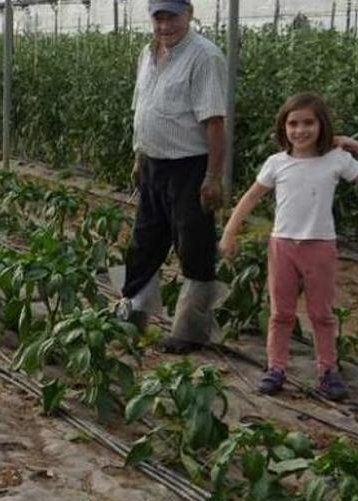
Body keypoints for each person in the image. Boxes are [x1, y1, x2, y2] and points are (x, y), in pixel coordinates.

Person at [220, 93, 358, 400]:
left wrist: (357, 147)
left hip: (320, 247)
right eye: (293, 123)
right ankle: (275, 369)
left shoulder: (336, 160)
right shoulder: (277, 163)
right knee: (280, 313)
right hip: (283, 245)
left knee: (321, 314)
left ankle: (327, 371)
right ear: (283, 127)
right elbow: (250, 197)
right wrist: (229, 232)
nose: (300, 130)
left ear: (321, 125)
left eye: (308, 123)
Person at [119, 0, 228, 354]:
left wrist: (213, 176)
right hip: (153, 163)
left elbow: (214, 121)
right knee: (144, 241)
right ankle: (132, 314)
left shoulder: (205, 56)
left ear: (189, 14)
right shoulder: (146, 54)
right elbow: (143, 109)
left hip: (189, 166)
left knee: (193, 244)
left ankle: (192, 329)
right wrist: (140, 156)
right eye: (159, 17)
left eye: (172, 17)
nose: (165, 25)